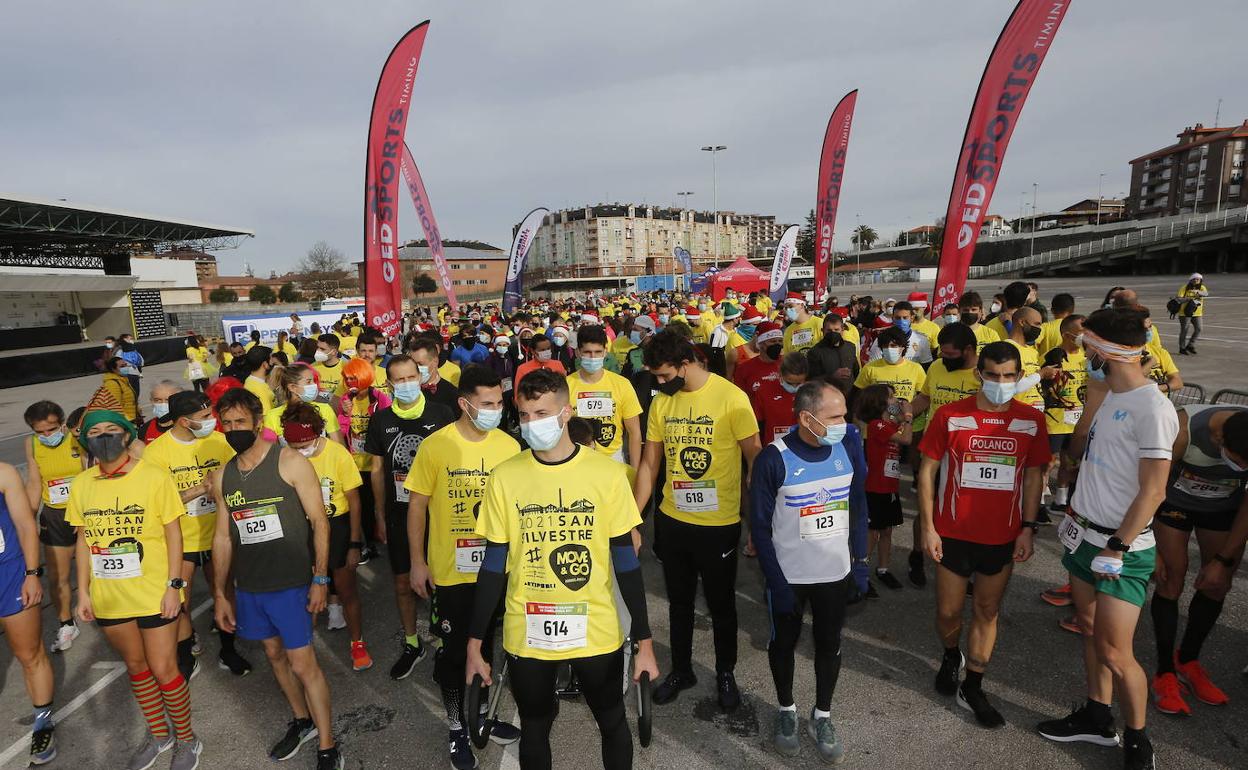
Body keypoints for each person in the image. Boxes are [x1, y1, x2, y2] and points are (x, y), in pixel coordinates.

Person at [464, 368, 659, 770]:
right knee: (535, 724)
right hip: (528, 629)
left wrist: (644, 640)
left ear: (567, 412)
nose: (533, 424)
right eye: (526, 415)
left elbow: (625, 560)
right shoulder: (504, 477)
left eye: (543, 413)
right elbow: (494, 565)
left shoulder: (606, 474)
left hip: (596, 630)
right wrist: (474, 643)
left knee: (611, 719)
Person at [1036, 308, 1179, 770]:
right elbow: (1083, 455)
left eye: (1090, 344)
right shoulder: (1108, 393)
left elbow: (1154, 489)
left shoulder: (1152, 407)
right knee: (1092, 632)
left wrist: (1117, 546)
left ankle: (1138, 740)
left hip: (1120, 548)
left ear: (1106, 348)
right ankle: (1098, 718)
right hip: (1084, 535)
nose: (1085, 353)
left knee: (1118, 652)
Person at [209, 390, 344, 770]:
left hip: (291, 583)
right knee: (273, 654)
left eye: (240, 422)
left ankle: (328, 745)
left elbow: (319, 521)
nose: (234, 429)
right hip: (251, 587)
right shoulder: (224, 476)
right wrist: (220, 593)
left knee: (304, 664)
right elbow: (221, 537)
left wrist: (320, 578)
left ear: (258, 421)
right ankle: (302, 721)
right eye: (228, 423)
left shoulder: (290, 462)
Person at [919, 341, 1049, 728]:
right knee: (947, 612)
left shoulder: (1031, 420)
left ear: (1019, 377)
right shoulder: (949, 415)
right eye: (993, 375)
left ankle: (973, 685)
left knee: (987, 611)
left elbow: (1033, 475)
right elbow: (926, 472)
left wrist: (1028, 528)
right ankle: (949, 654)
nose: (1001, 382)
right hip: (953, 533)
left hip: (1002, 537)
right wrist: (927, 527)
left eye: (1009, 376)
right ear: (979, 374)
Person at [67, 410, 203, 770]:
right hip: (110, 596)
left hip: (154, 592)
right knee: (136, 666)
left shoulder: (153, 476)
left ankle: (188, 740)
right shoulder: (82, 484)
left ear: (128, 436)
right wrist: (82, 592)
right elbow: (82, 540)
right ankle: (160, 735)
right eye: (95, 431)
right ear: (85, 440)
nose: (105, 436)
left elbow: (174, 534)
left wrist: (175, 586)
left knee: (164, 668)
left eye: (113, 429)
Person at [634, 330, 761, 710]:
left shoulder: (731, 398)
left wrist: (757, 524)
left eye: (662, 375)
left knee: (722, 605)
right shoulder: (662, 404)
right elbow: (650, 463)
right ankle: (683, 669)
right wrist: (633, 518)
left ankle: (726, 671)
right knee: (679, 602)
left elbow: (756, 460)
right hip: (673, 521)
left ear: (686, 364)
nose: (658, 383)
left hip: (719, 524)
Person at [406, 365, 523, 768]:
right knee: (455, 654)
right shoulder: (436, 446)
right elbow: (417, 506)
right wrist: (417, 562)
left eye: (498, 402)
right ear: (464, 403)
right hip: (450, 572)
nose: (495, 410)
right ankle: (457, 727)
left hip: (496, 571)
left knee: (487, 644)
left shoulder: (509, 446)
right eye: (486, 404)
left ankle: (482, 716)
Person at [750, 380, 869, 761]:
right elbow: (759, 527)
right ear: (806, 418)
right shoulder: (773, 458)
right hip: (790, 579)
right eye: (834, 416)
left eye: (845, 414)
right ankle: (786, 709)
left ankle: (823, 714)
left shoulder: (848, 444)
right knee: (783, 644)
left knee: (828, 645)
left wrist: (861, 564)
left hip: (834, 575)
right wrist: (776, 583)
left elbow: (859, 508)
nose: (844, 422)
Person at [141, 391, 252, 680]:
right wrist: (201, 489)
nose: (212, 422)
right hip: (183, 540)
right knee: (181, 601)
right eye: (205, 418)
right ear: (183, 421)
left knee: (225, 592)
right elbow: (156, 503)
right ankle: (185, 651)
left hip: (219, 533)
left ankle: (229, 649)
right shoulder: (157, 452)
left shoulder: (219, 442)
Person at [1148, 406, 1248, 715]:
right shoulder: (1184, 428)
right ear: (1219, 437)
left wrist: (1223, 559)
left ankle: (1188, 660)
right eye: (1240, 460)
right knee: (1170, 578)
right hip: (1172, 505)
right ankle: (1164, 673)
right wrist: (1147, 546)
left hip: (1221, 510)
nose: (1243, 467)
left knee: (1218, 584)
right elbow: (1148, 484)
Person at [365, 354, 455, 679]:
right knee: (403, 582)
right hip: (398, 512)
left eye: (410, 377)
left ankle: (446, 639)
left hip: (439, 513)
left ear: (420, 376)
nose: (405, 384)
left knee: (442, 581)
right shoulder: (381, 420)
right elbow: (376, 470)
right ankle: (412, 642)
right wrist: (378, 512)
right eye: (398, 380)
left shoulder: (441, 413)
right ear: (389, 384)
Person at [279, 401, 371, 671]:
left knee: (346, 589)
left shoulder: (337, 454)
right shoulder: (285, 456)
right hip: (303, 527)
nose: (301, 452)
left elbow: (354, 501)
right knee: (306, 592)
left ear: (318, 434)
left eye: (306, 445)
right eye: (296, 447)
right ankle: (304, 649)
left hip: (337, 524)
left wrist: (355, 543)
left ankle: (358, 643)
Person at [1, 458, 57, 765]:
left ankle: (43, 723)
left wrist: (32, 574)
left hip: (9, 575)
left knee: (29, 654)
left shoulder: (4, 473)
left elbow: (25, 525)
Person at [23, 401, 86, 653]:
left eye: (51, 429)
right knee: (57, 576)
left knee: (93, 571)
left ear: (62, 423)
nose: (46, 436)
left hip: (83, 513)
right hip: (54, 515)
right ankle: (66, 623)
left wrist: (82, 515)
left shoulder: (75, 437)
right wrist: (27, 519)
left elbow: (90, 474)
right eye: (40, 431)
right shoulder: (32, 444)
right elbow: (35, 482)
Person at [858, 384, 912, 594]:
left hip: (890, 486)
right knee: (872, 532)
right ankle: (860, 571)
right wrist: (906, 416)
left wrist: (902, 411)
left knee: (887, 530)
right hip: (876, 487)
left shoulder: (888, 423)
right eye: (891, 398)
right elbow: (906, 438)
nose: (895, 400)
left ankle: (883, 569)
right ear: (880, 402)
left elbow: (898, 419)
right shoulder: (876, 425)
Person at [565, 325, 644, 470]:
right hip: (577, 463)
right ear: (577, 353)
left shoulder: (622, 385)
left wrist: (636, 471)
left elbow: (634, 433)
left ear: (606, 352)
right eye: (587, 352)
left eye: (598, 352)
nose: (593, 357)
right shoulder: (565, 386)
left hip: (614, 461)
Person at [264, 365, 344, 446]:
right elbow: (270, 452)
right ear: (293, 387)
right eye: (308, 382)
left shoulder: (325, 409)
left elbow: (340, 446)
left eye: (314, 381)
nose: (314, 385)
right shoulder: (272, 416)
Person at [853, 326, 927, 403]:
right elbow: (857, 394)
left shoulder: (916, 368)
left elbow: (923, 397)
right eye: (885, 346)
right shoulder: (870, 368)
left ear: (902, 347)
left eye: (893, 346)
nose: (889, 349)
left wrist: (911, 411)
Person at [753, 352, 809, 444]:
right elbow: (758, 425)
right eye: (789, 382)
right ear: (781, 374)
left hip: (804, 447)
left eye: (799, 383)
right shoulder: (764, 391)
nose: (794, 387)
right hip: (774, 448)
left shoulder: (813, 392)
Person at [1003, 306, 1048, 411]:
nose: (1039, 329)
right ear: (1022, 322)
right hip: (1017, 415)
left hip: (1036, 415)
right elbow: (1010, 386)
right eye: (1037, 324)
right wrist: (1042, 373)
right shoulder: (1007, 348)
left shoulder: (1033, 351)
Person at [407, 335, 464, 418]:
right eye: (412, 364)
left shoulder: (452, 394)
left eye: (420, 364)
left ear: (435, 362)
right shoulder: (405, 391)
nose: (415, 368)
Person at [806, 314, 859, 389]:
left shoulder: (850, 347)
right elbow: (811, 380)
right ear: (822, 331)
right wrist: (832, 376)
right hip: (828, 396)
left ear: (842, 330)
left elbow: (856, 372)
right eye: (829, 330)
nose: (833, 333)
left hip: (850, 396)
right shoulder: (815, 352)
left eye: (836, 330)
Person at [733, 321, 783, 397]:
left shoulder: (788, 364)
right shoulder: (744, 369)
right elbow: (738, 396)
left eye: (780, 341)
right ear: (761, 343)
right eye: (772, 341)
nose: (777, 344)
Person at [1175, 273, 1208, 355]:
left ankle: (1190, 345)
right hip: (1185, 313)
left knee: (1199, 329)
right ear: (1191, 280)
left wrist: (1197, 292)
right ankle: (1182, 348)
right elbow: (1179, 299)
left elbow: (1206, 294)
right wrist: (1188, 298)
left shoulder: (1202, 288)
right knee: (1184, 330)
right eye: (1194, 279)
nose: (1196, 281)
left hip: (1197, 313)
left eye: (1198, 279)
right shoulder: (1184, 288)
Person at [313, 334, 347, 404]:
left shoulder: (347, 368)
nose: (318, 351)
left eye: (322, 349)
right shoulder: (312, 368)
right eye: (317, 348)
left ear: (334, 352)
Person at [244, 345, 276, 412]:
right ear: (265, 364)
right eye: (271, 360)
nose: (273, 362)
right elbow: (267, 417)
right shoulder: (259, 389)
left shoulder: (250, 381)